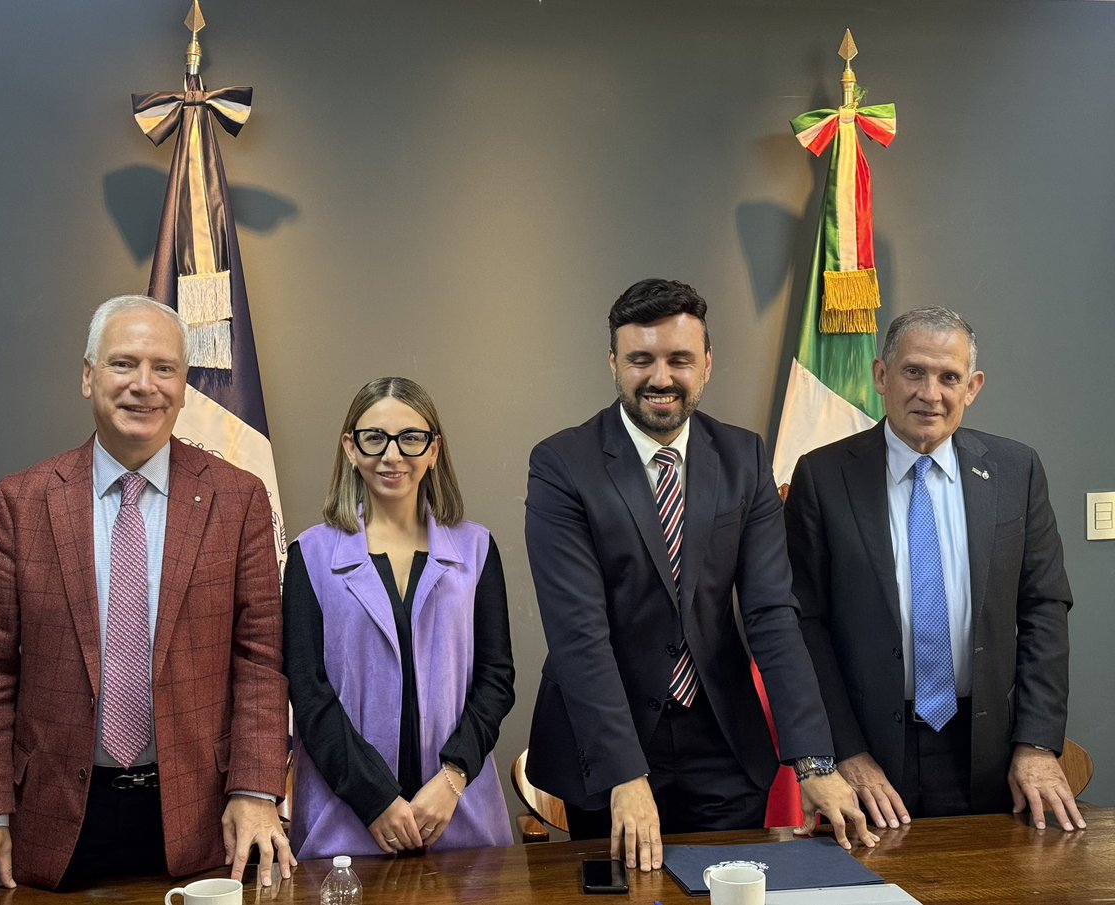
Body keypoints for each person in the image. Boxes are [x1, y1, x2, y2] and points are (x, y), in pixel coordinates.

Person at [0, 296, 292, 904]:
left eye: (164, 368)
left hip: (200, 819)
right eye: (123, 364)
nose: (144, 385)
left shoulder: (238, 498)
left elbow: (259, 662)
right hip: (54, 820)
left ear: (185, 386)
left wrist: (255, 789)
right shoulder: (23, 502)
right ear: (88, 375)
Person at [524, 278, 874, 873]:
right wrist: (625, 774)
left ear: (706, 365)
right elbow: (578, 631)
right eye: (641, 359)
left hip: (724, 743)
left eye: (679, 359)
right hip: (608, 744)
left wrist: (814, 762)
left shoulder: (744, 457)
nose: (661, 377)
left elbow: (772, 616)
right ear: (614, 363)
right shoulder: (562, 464)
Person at [785, 306, 1084, 832]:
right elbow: (804, 625)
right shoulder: (823, 476)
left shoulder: (1017, 470)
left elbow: (1043, 609)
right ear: (881, 376)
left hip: (989, 748)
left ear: (972, 388)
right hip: (870, 754)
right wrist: (845, 752)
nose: (931, 393)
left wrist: (1036, 744)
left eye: (949, 377)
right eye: (914, 372)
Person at [283, 377, 514, 859]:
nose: (393, 456)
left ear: (434, 449)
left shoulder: (476, 549)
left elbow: (496, 679)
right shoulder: (310, 556)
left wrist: (451, 781)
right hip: (346, 818)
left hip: (459, 810)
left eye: (411, 438)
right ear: (350, 447)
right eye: (374, 438)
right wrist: (376, 800)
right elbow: (308, 693)